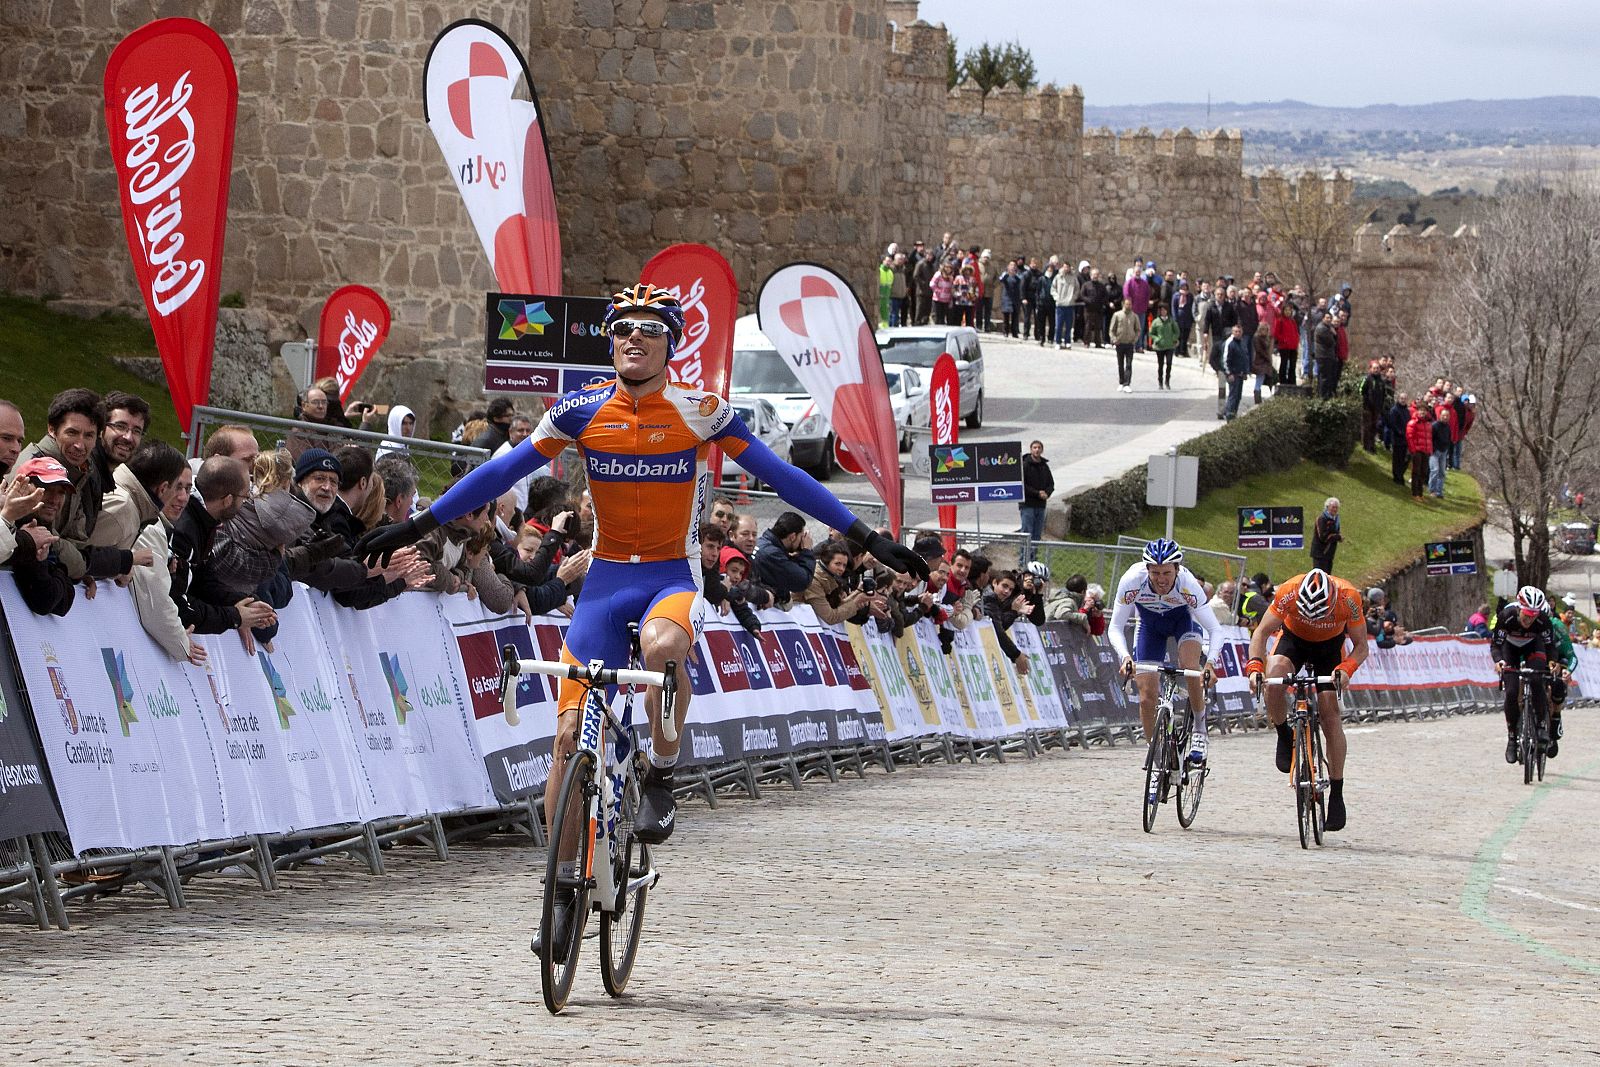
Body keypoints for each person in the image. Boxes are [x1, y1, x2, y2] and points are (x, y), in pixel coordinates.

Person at [355, 284, 927, 956]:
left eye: (648, 330)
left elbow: (782, 475)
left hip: (667, 577)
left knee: (661, 646)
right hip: (606, 581)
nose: (633, 339)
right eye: (622, 329)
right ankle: (564, 887)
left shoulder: (697, 410)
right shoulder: (581, 409)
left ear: (669, 343)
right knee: (566, 739)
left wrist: (863, 533)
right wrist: (418, 523)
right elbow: (502, 469)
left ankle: (660, 766)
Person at [1246, 569, 1369, 833]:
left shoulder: (1349, 597)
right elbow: (1261, 633)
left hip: (1330, 647)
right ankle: (1283, 733)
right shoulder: (1288, 591)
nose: (1314, 618)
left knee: (1329, 712)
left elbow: (1361, 647)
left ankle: (1336, 792)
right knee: (1274, 675)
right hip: (1293, 640)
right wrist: (1255, 666)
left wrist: (1346, 669)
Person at [1107, 538, 1221, 765]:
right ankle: (1156, 756)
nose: (1161, 579)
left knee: (1190, 668)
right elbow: (1116, 626)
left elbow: (1215, 629)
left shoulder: (1188, 584)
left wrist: (1210, 664)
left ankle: (1199, 728)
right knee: (1146, 697)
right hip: (1149, 626)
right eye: (1155, 573)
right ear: (1147, 569)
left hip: (1182, 621)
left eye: (1167, 573)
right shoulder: (1132, 580)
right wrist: (1125, 657)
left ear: (1177, 569)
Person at [1492, 587, 1555, 764]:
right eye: (1526, 614)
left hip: (1533, 647)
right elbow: (1496, 645)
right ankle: (1512, 738)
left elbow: (1550, 647)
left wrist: (1551, 662)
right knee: (1511, 692)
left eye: (1534, 615)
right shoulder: (1507, 616)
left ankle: (1542, 725)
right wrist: (1498, 661)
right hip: (1509, 649)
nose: (1529, 619)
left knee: (1537, 679)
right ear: (1519, 609)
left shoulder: (1542, 620)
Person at [753, 511, 817, 605]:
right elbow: (802, 582)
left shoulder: (762, 542)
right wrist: (807, 551)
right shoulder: (773, 554)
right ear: (792, 537)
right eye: (801, 537)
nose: (802, 540)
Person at [1109, 296, 1139, 393]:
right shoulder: (1117, 315)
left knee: (1129, 364)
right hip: (1120, 343)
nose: (1128, 306)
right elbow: (1111, 329)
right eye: (1126, 304)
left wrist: (1135, 340)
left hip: (1129, 344)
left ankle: (1127, 384)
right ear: (1123, 304)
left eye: (1130, 304)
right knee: (1120, 364)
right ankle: (1121, 382)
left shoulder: (1134, 316)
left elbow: (1138, 329)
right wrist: (1114, 339)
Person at [1221, 324, 1249, 421]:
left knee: (1238, 396)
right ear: (1233, 332)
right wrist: (1229, 374)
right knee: (1233, 395)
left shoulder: (1242, 342)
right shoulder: (1229, 343)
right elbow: (1225, 360)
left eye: (1239, 331)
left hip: (1241, 374)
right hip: (1233, 374)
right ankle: (1229, 415)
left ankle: (1234, 413)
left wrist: (1245, 372)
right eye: (1236, 331)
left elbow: (1245, 357)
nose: (1238, 333)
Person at [1148, 304, 1178, 389]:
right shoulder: (1156, 322)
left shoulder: (1171, 321)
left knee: (1169, 364)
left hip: (1169, 346)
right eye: (1161, 310)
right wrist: (1157, 339)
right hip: (1160, 347)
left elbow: (1176, 331)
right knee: (1160, 365)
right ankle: (1160, 382)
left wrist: (1174, 338)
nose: (1163, 312)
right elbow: (1151, 333)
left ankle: (1167, 381)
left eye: (1165, 310)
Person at [1310, 497, 1341, 574]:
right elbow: (1323, 537)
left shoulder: (1336, 520)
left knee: (1328, 577)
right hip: (1320, 554)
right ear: (1327, 507)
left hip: (1329, 554)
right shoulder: (1321, 519)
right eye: (1333, 507)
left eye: (1336, 507)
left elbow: (1335, 532)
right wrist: (1337, 537)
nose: (1335, 509)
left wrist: (1338, 537)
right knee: (1319, 577)